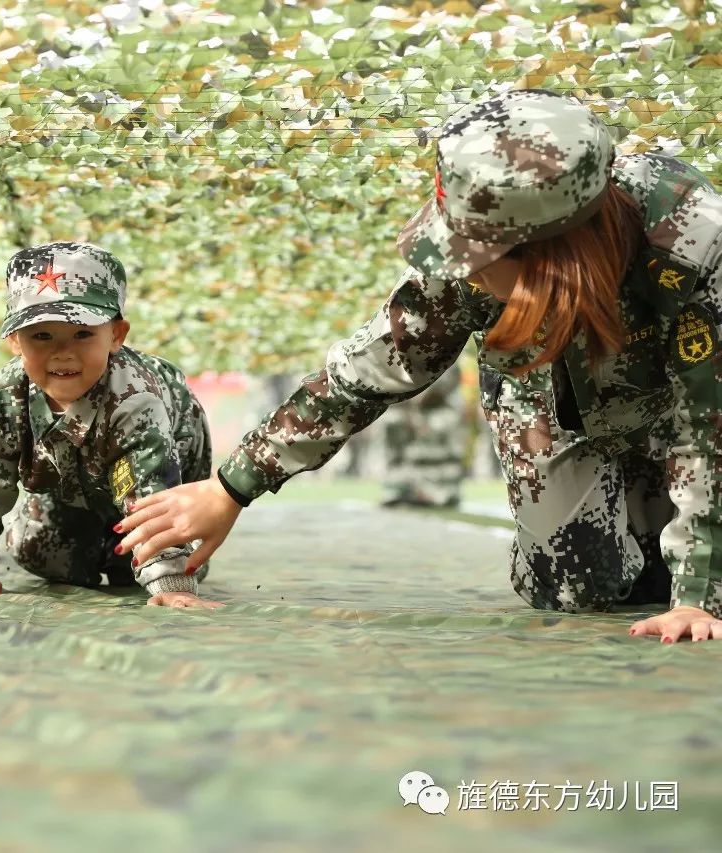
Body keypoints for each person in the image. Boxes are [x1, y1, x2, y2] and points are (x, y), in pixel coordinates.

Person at [115, 88, 722, 642]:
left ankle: (656, 531)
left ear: (551, 253)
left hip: (677, 402)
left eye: (481, 256)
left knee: (688, 589)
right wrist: (232, 487)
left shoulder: (694, 244)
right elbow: (366, 373)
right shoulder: (471, 250)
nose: (462, 269)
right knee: (575, 586)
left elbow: (710, 429)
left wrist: (698, 596)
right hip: (544, 391)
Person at [0, 242, 219, 608]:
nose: (63, 352)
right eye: (41, 335)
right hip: (74, 490)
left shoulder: (135, 400)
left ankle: (132, 560)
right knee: (34, 549)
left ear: (116, 335)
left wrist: (169, 582)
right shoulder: (8, 395)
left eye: (82, 333)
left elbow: (154, 494)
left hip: (166, 483)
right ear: (14, 341)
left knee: (158, 565)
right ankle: (104, 549)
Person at [379, 363, 467, 509]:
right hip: (407, 407)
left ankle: (442, 492)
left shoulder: (448, 352)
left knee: (439, 430)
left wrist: (419, 402)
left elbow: (447, 384)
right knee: (394, 425)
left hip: (438, 409)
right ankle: (400, 488)